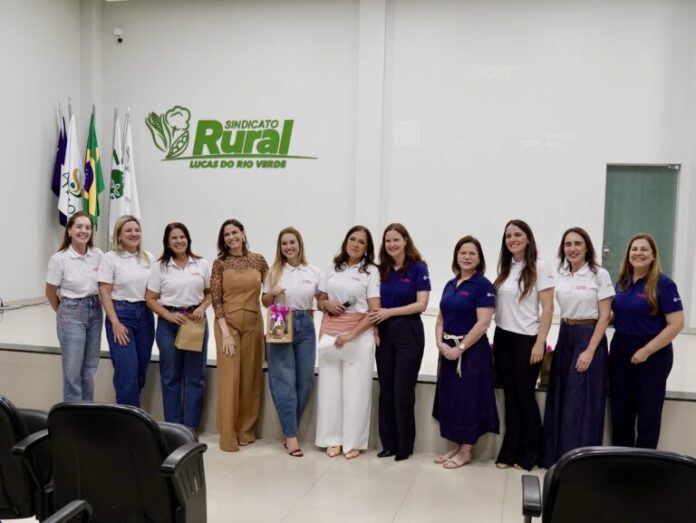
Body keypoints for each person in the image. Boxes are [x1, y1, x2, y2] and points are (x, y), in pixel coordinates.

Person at [541, 227, 614, 467]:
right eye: (568, 244)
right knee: (560, 396)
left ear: (587, 247)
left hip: (588, 336)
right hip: (566, 335)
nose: (572, 248)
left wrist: (590, 350)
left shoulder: (599, 274)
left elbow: (604, 316)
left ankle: (578, 464)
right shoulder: (562, 275)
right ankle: (555, 458)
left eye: (577, 243)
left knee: (579, 402)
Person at [610, 233, 684, 448]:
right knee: (620, 413)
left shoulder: (664, 284)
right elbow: (618, 315)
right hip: (621, 350)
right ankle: (621, 461)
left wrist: (646, 351)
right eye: (634, 249)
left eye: (644, 249)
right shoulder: (622, 282)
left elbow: (676, 323)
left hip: (653, 355)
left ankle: (644, 464)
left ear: (653, 255)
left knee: (648, 416)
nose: (638, 253)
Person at [493, 219, 554, 470]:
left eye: (517, 234)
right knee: (510, 397)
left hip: (527, 339)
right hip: (503, 337)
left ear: (528, 238)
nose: (513, 239)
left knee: (524, 396)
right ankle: (509, 452)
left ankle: (530, 454)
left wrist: (540, 342)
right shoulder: (506, 267)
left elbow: (548, 308)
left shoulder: (540, 266)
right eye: (508, 236)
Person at [433, 236, 498, 468]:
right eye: (463, 253)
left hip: (472, 353)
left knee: (469, 401)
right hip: (448, 352)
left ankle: (466, 450)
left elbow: (483, 323)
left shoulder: (483, 285)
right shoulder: (450, 285)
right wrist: (439, 343)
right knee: (453, 400)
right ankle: (457, 446)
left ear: (479, 258)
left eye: (472, 253)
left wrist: (460, 348)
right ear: (456, 256)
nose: (467, 257)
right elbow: (440, 319)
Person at [315, 225, 380, 459]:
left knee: (356, 391)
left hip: (359, 336)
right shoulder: (332, 267)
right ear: (346, 242)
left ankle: (352, 442)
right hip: (331, 334)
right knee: (329, 389)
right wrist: (327, 304)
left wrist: (352, 334)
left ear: (367, 248)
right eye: (352, 239)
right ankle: (331, 439)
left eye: (361, 242)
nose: (355, 244)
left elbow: (374, 311)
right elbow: (320, 299)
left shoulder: (371, 271)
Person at [369, 223, 430, 461]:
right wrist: (375, 326)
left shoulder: (418, 268)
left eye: (396, 239)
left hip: (409, 333)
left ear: (405, 240)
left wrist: (390, 312)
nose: (392, 244)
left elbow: (421, 304)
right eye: (388, 240)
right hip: (384, 334)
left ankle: (405, 445)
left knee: (402, 391)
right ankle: (389, 444)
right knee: (386, 390)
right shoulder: (380, 270)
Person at [145, 222, 211, 431]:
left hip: (195, 322)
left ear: (188, 239)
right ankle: (174, 429)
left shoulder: (201, 264)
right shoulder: (160, 267)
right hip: (169, 324)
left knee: (195, 377)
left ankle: (190, 429)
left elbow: (210, 293)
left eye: (182, 237)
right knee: (170, 377)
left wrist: (202, 307)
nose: (179, 241)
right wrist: (169, 316)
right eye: (174, 238)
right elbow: (150, 299)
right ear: (167, 242)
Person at [261, 227, 320, 457]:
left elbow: (321, 299)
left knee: (305, 380)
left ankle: (289, 429)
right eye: (284, 243)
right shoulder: (274, 271)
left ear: (299, 244)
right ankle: (291, 436)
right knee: (283, 379)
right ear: (280, 247)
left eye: (292, 242)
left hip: (306, 322)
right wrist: (273, 293)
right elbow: (265, 302)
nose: (288, 247)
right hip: (279, 319)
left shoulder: (313, 271)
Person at [211, 219, 268, 452]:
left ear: (243, 234)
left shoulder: (259, 260)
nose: (231, 237)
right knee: (230, 378)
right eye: (227, 234)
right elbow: (216, 299)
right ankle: (228, 435)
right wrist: (225, 333)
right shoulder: (220, 264)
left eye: (235, 232)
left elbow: (270, 292)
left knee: (250, 378)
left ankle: (246, 430)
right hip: (227, 325)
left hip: (254, 322)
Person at [45, 211, 103, 401]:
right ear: (69, 230)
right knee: (72, 371)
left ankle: (87, 411)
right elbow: (50, 291)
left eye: (88, 227)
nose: (84, 231)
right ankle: (73, 415)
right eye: (79, 226)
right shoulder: (60, 259)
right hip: (71, 311)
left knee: (89, 369)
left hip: (95, 311)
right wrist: (64, 312)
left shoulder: (98, 255)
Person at [98, 215, 155, 407]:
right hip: (122, 316)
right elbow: (104, 292)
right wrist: (115, 323)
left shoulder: (148, 257)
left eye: (137, 230)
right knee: (127, 372)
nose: (134, 233)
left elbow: (155, 289)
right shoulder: (110, 258)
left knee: (140, 372)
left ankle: (130, 411)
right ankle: (129, 420)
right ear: (119, 236)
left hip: (145, 316)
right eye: (128, 230)